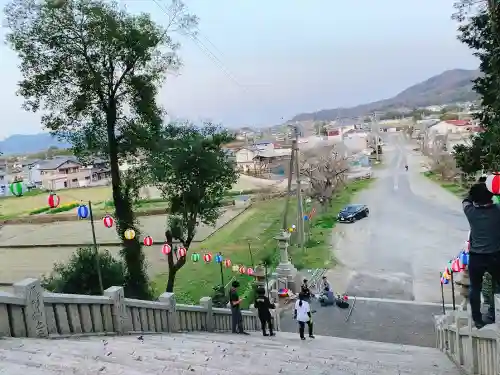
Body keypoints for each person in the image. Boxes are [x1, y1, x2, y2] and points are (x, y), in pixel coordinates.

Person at [463, 182, 500, 328]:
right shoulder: (498, 211)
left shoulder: (470, 212)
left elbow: (465, 200)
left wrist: (474, 193)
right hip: (496, 255)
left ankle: (477, 320)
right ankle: (495, 311)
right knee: (498, 285)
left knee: (475, 287)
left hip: (476, 256)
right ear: (491, 196)